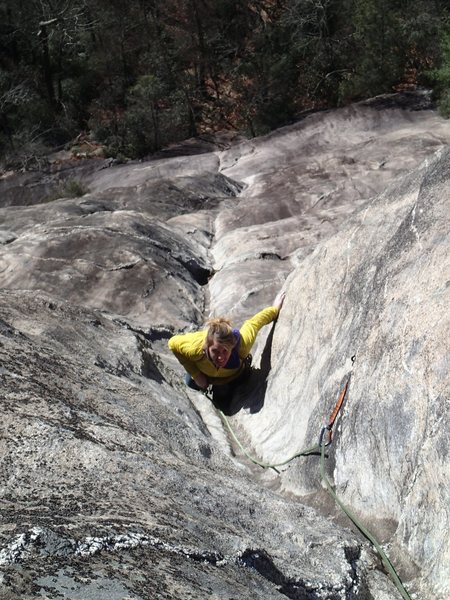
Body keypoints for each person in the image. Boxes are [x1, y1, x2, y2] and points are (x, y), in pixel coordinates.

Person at [168, 291, 286, 406]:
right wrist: (196, 374)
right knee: (190, 383)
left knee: (222, 400)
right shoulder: (195, 348)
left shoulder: (241, 346)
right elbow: (172, 343)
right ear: (206, 346)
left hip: (229, 376)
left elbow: (253, 324)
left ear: (232, 346)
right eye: (215, 351)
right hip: (203, 372)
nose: (220, 357)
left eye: (225, 351)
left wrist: (274, 310)